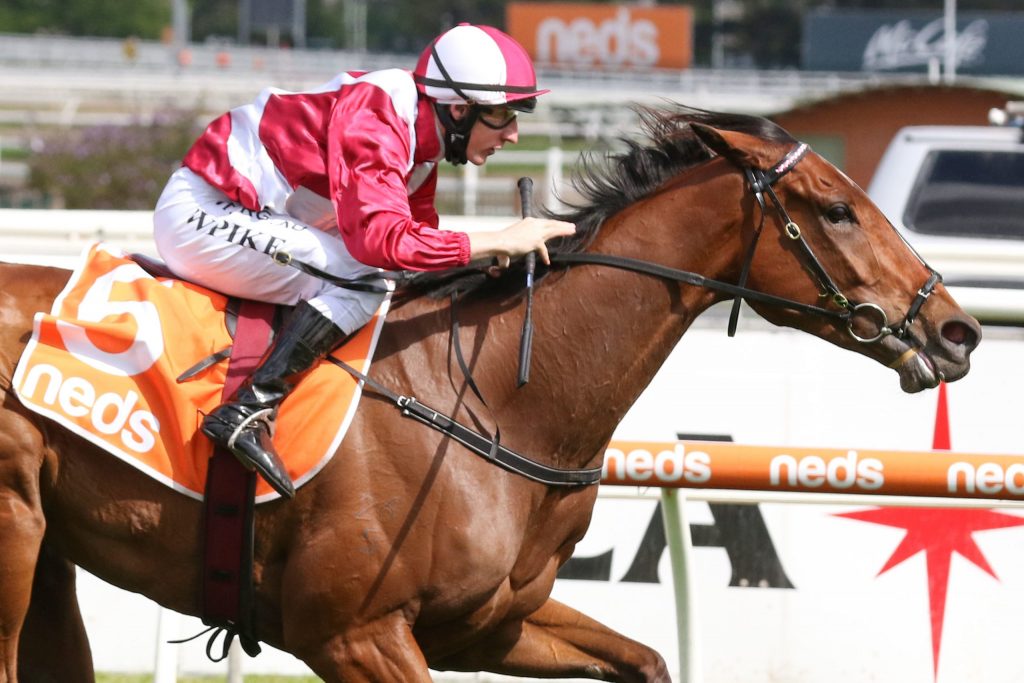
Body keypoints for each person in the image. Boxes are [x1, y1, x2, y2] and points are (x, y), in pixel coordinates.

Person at [152, 24, 575, 499]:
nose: (513, 135)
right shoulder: (380, 114)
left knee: (377, 274)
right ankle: (247, 409)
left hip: (251, 214)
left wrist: (482, 260)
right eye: (501, 115)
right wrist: (495, 238)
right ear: (458, 109)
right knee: (362, 279)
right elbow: (382, 243)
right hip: (205, 212)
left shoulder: (422, 145)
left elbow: (417, 246)